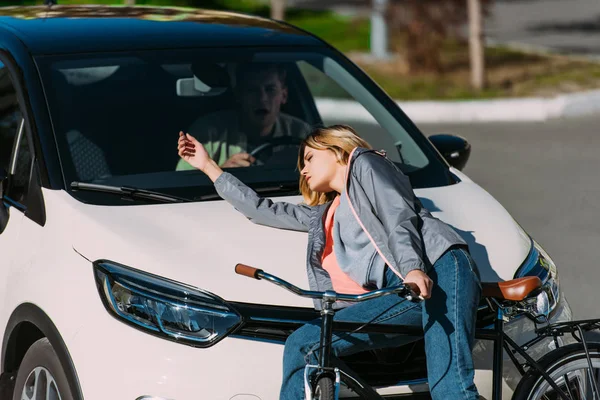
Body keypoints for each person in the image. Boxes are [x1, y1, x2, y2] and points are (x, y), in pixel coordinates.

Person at [177, 125, 482, 399]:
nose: (303, 170)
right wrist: (208, 167)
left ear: (336, 150)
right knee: (305, 341)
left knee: (449, 387)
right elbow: (261, 209)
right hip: (400, 287)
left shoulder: (366, 163)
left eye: (309, 158)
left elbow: (397, 214)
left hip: (436, 267)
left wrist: (413, 268)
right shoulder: (323, 216)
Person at [176, 62, 311, 170]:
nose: (262, 98)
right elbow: (181, 185)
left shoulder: (303, 134)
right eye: (252, 90)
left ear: (284, 95)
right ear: (238, 95)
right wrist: (221, 173)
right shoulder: (206, 135)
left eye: (270, 90)